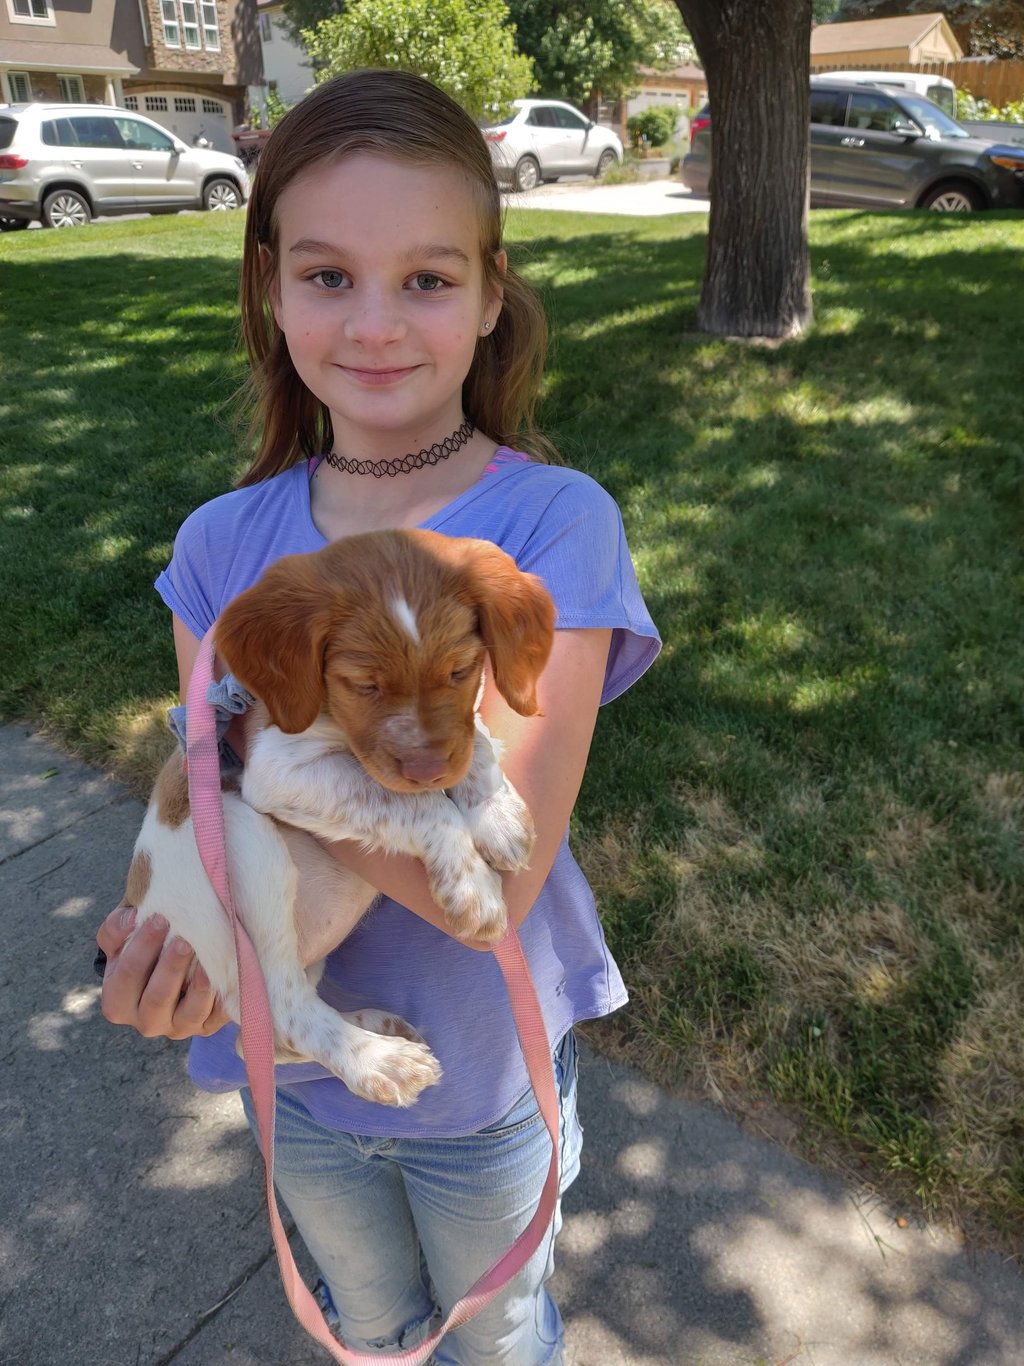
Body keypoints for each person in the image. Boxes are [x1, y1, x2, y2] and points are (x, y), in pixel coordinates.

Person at [96, 69, 660, 1365]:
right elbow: (199, 789)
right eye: (327, 274)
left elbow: (491, 888)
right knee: (369, 1324)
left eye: (426, 277)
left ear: (489, 288)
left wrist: (266, 769)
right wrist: (174, 953)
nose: (376, 323)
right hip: (288, 1078)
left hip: (478, 1081)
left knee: (497, 1328)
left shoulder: (549, 522)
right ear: (270, 289)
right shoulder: (220, 545)